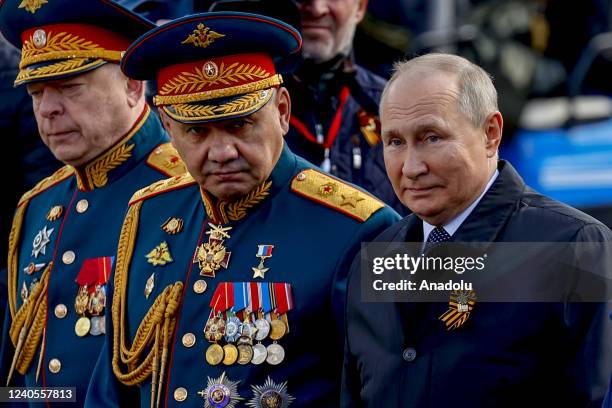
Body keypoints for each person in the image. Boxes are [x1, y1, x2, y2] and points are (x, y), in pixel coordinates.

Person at [84, 11, 399, 408]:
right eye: (197, 131)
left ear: (282, 111)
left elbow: (384, 392)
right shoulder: (147, 215)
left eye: (240, 124)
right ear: (167, 125)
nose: (221, 152)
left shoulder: (360, 228)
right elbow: (113, 390)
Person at [341, 53, 612, 407]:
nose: (411, 167)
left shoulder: (576, 247)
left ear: (490, 133)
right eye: (395, 142)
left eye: (432, 137)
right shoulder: (374, 258)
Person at [0, 0, 186, 404]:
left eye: (69, 87)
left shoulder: (191, 191)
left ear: (133, 86)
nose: (48, 109)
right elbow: (15, 377)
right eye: (36, 92)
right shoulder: (37, 206)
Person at [210, 0, 405, 214]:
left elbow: (423, 229)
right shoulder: (222, 103)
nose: (318, 9)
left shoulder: (397, 104)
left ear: (359, 8)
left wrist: (380, 249)